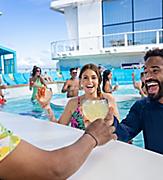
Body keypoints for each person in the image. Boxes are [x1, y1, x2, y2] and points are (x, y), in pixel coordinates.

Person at [0, 112, 117, 179]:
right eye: (85, 77)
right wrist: (93, 137)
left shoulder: (107, 101)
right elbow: (53, 169)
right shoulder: (74, 103)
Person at [107, 48, 163, 155]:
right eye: (145, 72)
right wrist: (110, 122)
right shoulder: (142, 107)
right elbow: (123, 133)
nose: (148, 77)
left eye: (155, 70)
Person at [58, 64, 119, 129]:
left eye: (93, 78)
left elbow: (118, 127)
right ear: (81, 81)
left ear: (98, 80)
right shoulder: (73, 103)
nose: (90, 81)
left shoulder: (108, 99)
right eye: (85, 78)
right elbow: (60, 127)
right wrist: (48, 108)